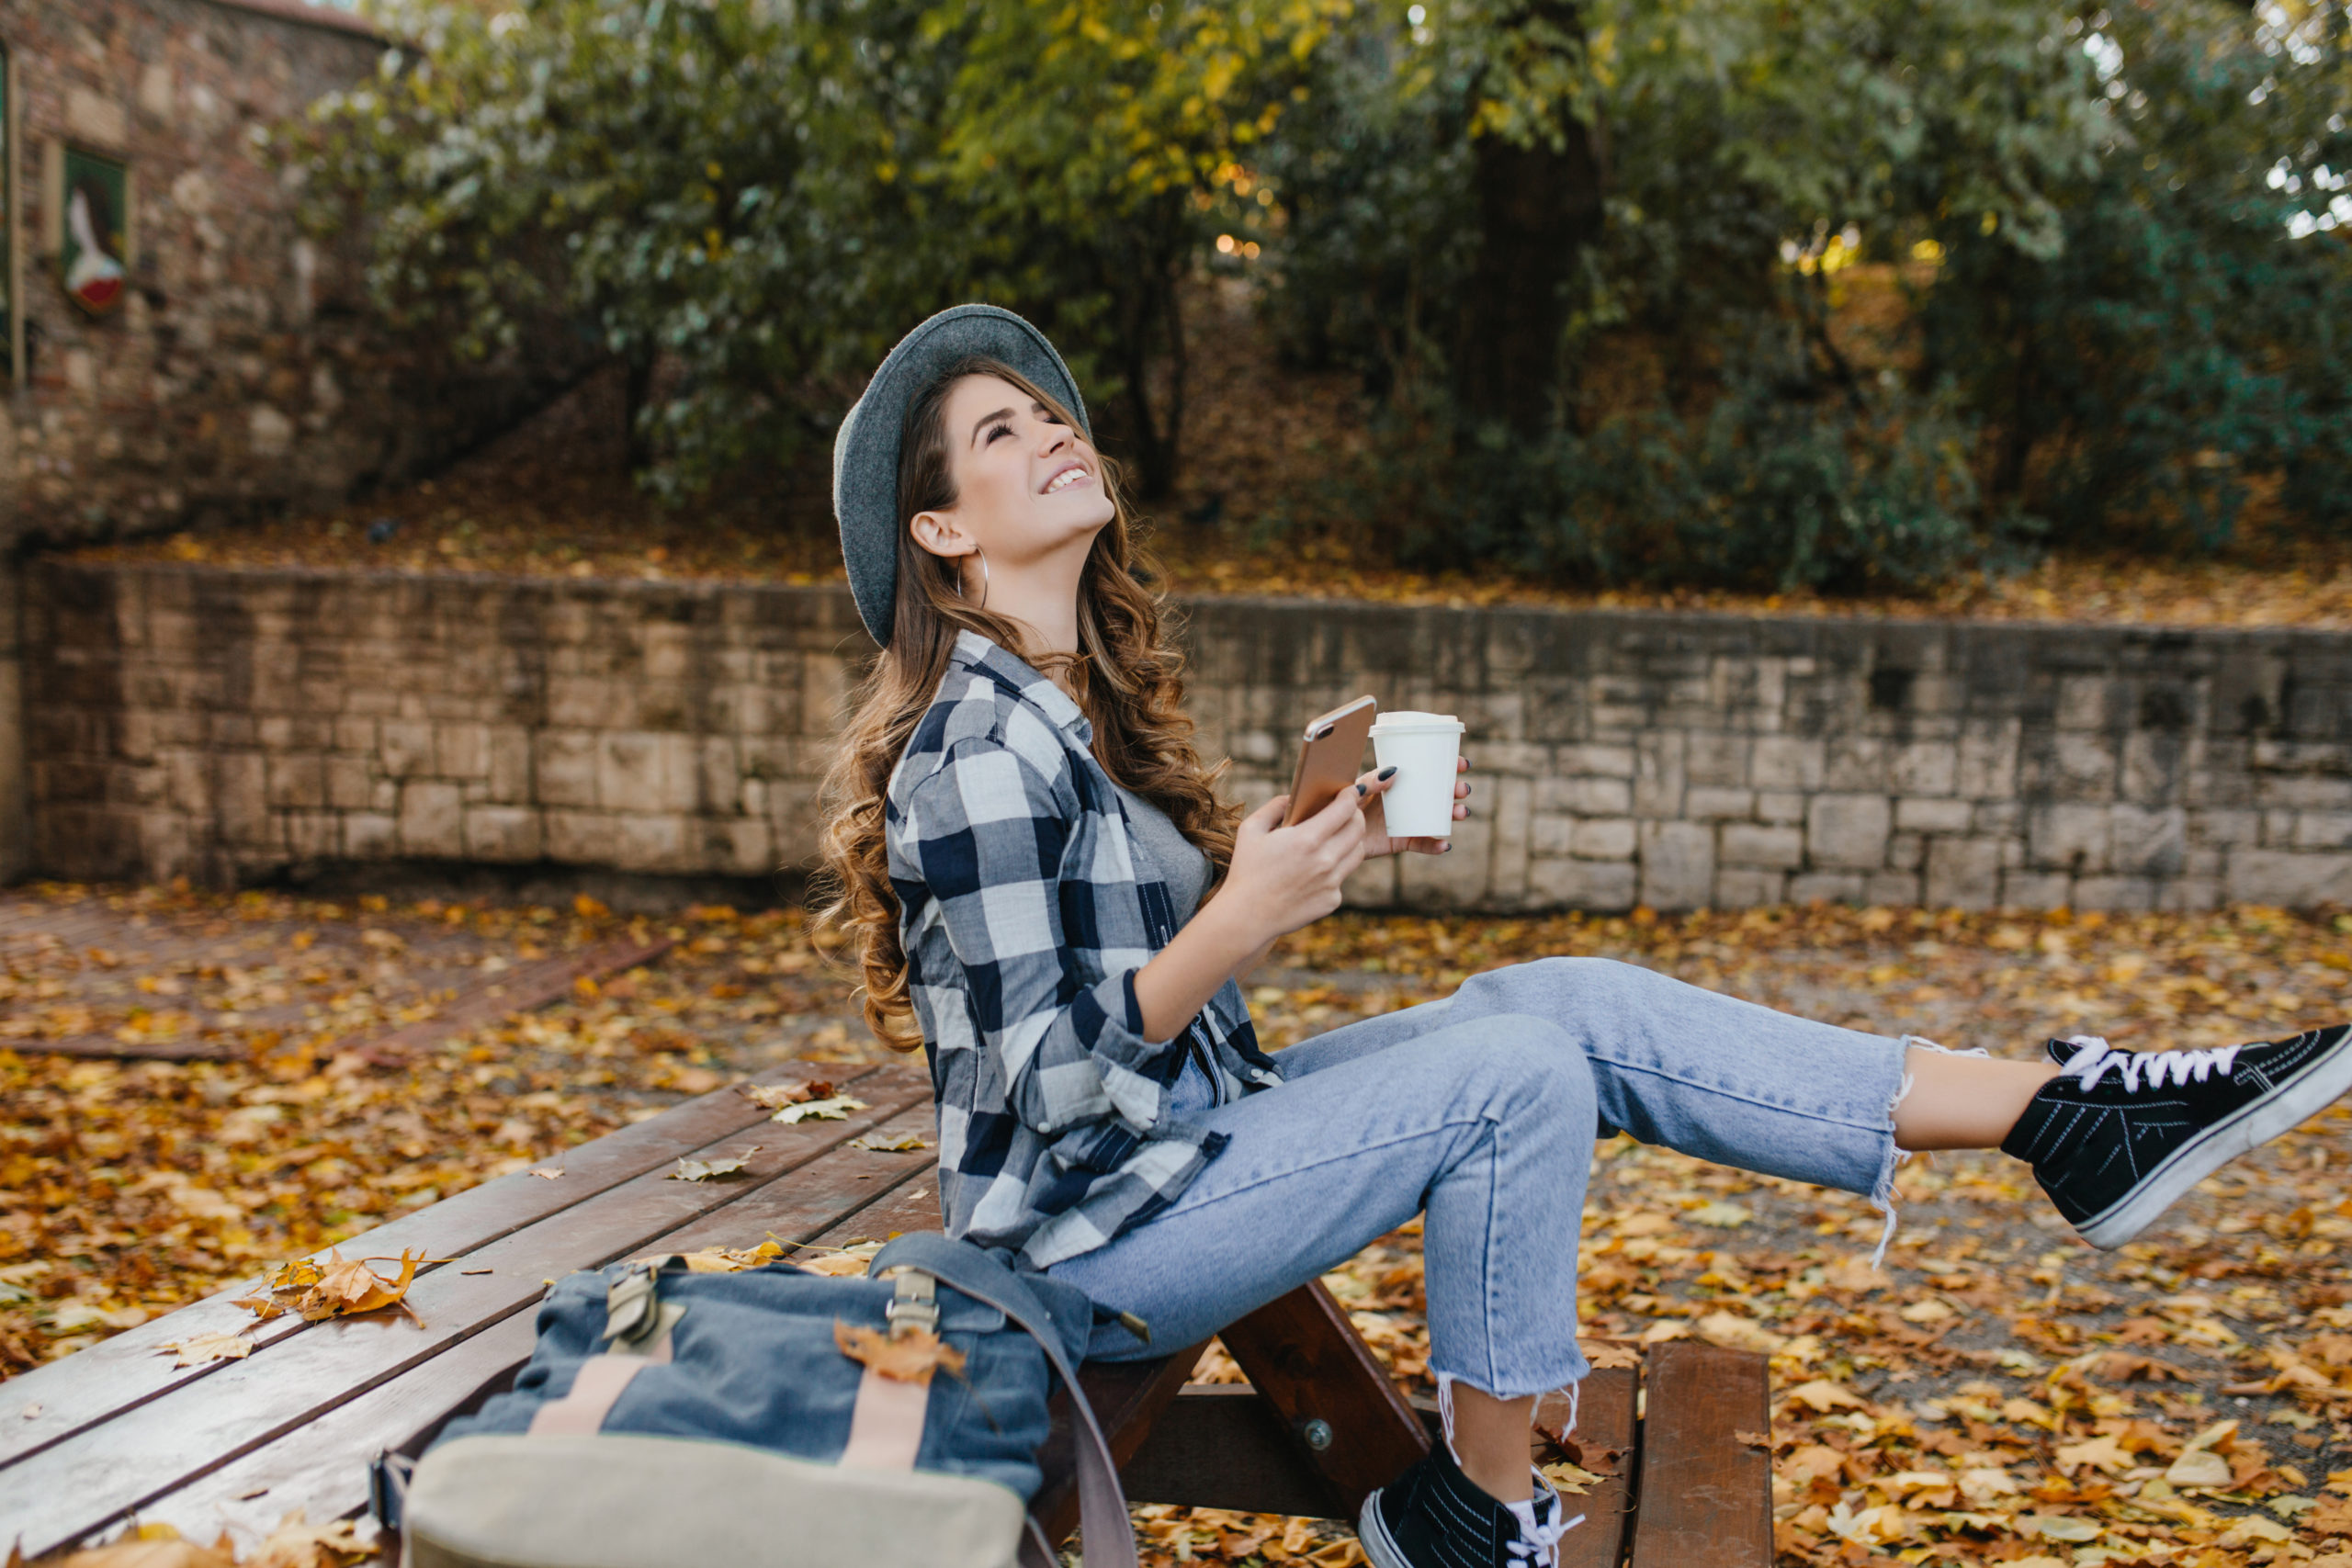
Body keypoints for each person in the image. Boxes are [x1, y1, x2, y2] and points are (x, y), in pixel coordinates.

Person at [814, 305, 2352, 1568]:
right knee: (1514, 1076)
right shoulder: (976, 752)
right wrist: (1242, 913)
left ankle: (2062, 1114)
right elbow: (1053, 1081)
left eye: (1052, 412)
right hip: (1081, 1241)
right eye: (1003, 432)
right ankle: (1477, 1521)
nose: (1055, 431)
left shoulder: (1074, 720)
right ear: (941, 529)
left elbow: (1154, 1000)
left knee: (1565, 1003)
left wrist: (1313, 853)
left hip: (1184, 1142)